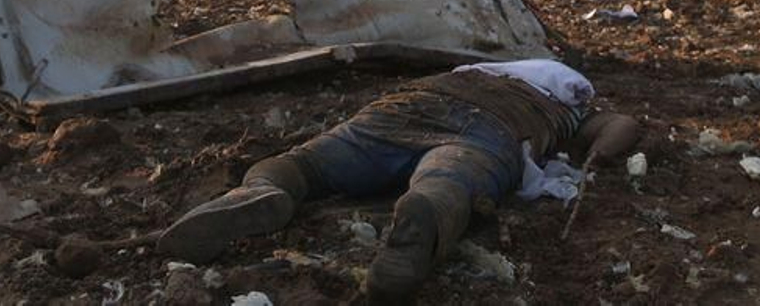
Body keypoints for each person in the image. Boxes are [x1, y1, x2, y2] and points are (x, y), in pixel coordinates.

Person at [157, 59, 641, 302]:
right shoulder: (565, 99)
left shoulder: (470, 70)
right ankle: (425, 213)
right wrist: (597, 154)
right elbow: (622, 127)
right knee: (452, 175)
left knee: (311, 161)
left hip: (403, 108)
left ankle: (261, 189)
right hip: (492, 127)